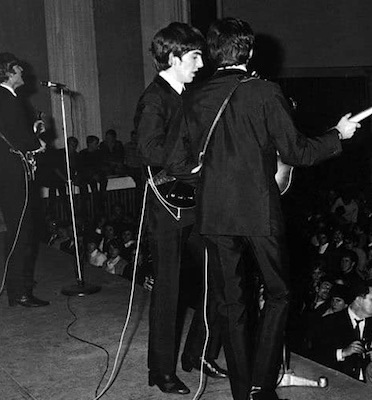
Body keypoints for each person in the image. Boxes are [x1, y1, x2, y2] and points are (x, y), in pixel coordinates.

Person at [183, 17, 359, 400]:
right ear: (248, 50)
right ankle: (264, 382)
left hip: (213, 211)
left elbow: (186, 157)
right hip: (258, 211)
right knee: (278, 293)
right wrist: (337, 137)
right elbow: (297, 152)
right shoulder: (264, 91)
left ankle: (241, 391)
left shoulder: (195, 95)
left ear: (214, 54)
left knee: (232, 303)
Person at [134, 22, 217, 395]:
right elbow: (148, 151)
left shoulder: (189, 95)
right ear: (173, 57)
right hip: (168, 205)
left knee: (213, 280)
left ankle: (195, 354)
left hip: (197, 201)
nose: (201, 63)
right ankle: (161, 370)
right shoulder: (155, 99)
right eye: (195, 56)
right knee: (168, 291)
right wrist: (190, 165)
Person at [0, 52, 49, 308]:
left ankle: (16, 285)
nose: (22, 71)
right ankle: (20, 292)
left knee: (16, 231)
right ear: (8, 72)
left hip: (1, 176)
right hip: (13, 175)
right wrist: (35, 142)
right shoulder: (8, 99)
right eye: (18, 68)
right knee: (23, 233)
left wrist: (28, 131)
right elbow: (21, 139)